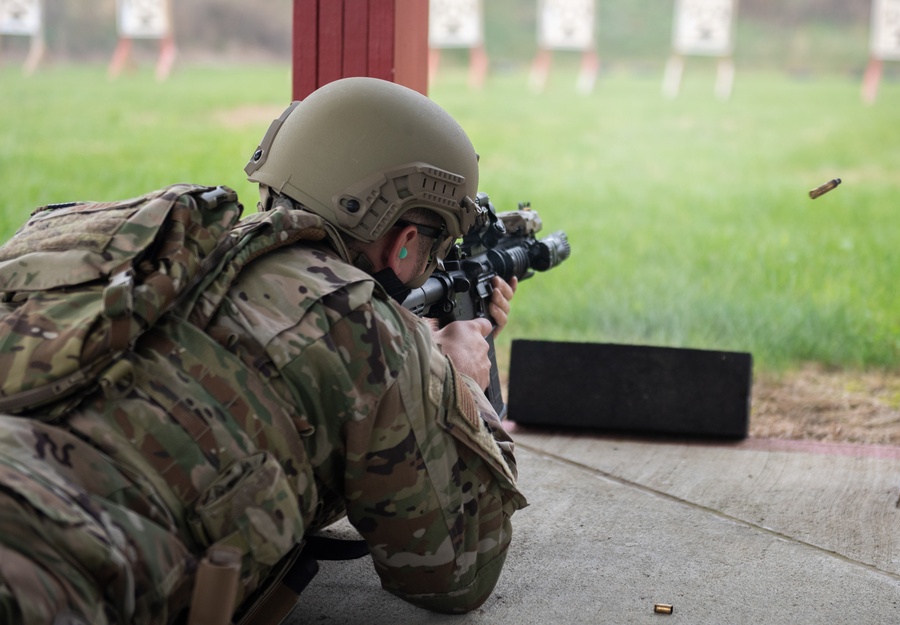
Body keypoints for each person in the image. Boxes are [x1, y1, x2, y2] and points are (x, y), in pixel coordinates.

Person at [0, 76, 527, 625]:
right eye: (433, 247)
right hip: (50, 568)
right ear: (405, 242)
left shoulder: (136, 247)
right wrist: (461, 387)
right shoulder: (362, 324)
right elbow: (459, 572)